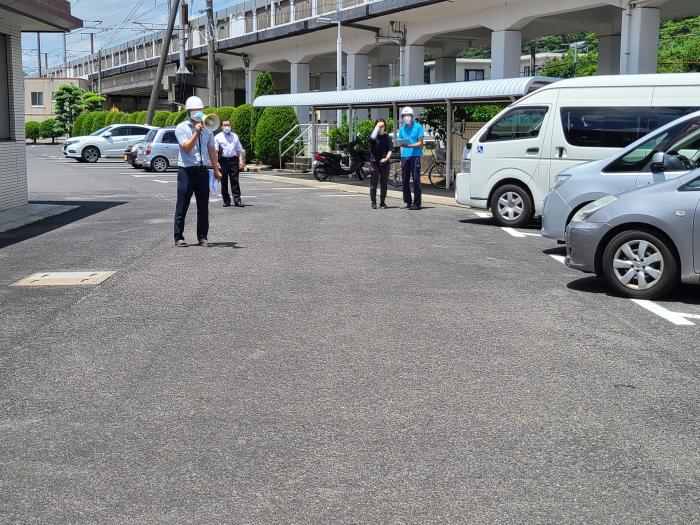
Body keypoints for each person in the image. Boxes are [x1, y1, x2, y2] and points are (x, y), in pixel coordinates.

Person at [173, 96, 222, 247]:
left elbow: (211, 149)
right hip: (186, 171)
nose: (199, 113)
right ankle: (179, 237)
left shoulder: (208, 129)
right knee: (183, 204)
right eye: (196, 111)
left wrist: (216, 169)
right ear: (189, 112)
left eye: (201, 110)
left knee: (203, 206)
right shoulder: (181, 128)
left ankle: (202, 237)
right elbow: (186, 147)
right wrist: (196, 133)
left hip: (202, 170)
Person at [214, 119, 246, 207]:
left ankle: (237, 200)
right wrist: (216, 162)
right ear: (221, 126)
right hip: (223, 161)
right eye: (225, 125)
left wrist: (241, 161)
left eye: (228, 125)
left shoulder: (235, 136)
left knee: (235, 181)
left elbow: (239, 150)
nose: (227, 127)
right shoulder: (217, 137)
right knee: (224, 182)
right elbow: (216, 151)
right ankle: (226, 201)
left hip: (233, 160)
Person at [398, 106, 424, 210]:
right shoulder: (402, 129)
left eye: (408, 115)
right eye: (404, 116)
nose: (406, 117)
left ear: (411, 116)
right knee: (404, 180)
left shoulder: (418, 127)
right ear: (402, 117)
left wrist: (411, 146)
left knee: (416, 179)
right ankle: (406, 202)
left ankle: (417, 203)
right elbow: (401, 144)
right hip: (405, 156)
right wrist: (401, 158)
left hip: (415, 156)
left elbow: (420, 142)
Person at [369, 118, 393, 209]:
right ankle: (373, 202)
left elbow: (390, 149)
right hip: (374, 163)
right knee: (373, 184)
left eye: (382, 125)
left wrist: (386, 158)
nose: (381, 127)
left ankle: (382, 202)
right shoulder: (373, 136)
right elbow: (373, 137)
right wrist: (377, 127)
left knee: (384, 184)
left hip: (385, 163)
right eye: (379, 126)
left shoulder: (387, 137)